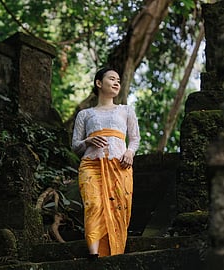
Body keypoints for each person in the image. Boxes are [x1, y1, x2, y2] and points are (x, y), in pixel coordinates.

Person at [71, 67, 140, 260]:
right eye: (112, 79)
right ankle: (94, 254)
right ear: (99, 83)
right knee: (93, 204)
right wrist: (88, 141)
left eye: (118, 79)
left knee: (118, 207)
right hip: (91, 164)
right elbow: (75, 145)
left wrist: (130, 152)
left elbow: (134, 139)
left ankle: (114, 252)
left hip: (119, 165)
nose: (117, 82)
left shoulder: (126, 110)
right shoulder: (84, 114)